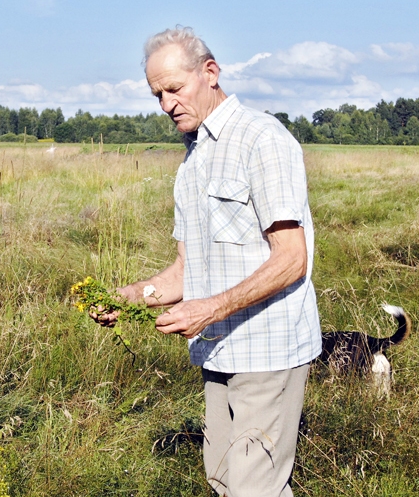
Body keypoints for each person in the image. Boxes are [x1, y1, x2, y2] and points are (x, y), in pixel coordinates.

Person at [93, 26, 321, 497]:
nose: (166, 104)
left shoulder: (262, 139)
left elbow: (292, 259)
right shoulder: (192, 160)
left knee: (254, 489)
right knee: (221, 478)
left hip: (268, 350)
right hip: (217, 351)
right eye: (157, 95)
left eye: (174, 88)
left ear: (210, 73)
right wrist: (131, 298)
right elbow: (184, 271)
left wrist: (210, 308)